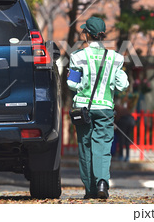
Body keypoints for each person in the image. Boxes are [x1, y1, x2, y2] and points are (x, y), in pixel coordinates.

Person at [67, 16, 129, 199]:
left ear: (87, 35)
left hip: (83, 109)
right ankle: (103, 182)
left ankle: (90, 190)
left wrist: (81, 86)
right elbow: (123, 85)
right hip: (105, 108)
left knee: (85, 147)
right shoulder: (116, 58)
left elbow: (71, 83)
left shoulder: (78, 56)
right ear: (102, 36)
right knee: (102, 147)